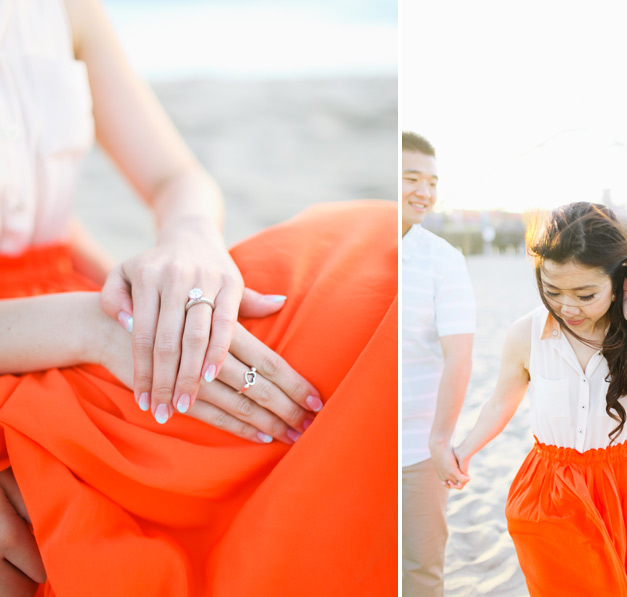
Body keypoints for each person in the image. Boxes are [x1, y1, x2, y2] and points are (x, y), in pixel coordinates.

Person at [0, 1, 397, 594]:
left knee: (376, 261)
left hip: (78, 312)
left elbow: (172, 178)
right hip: (27, 348)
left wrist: (185, 248)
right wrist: (91, 327)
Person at [453, 202, 627, 596]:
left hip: (624, 487)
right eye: (552, 291)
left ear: (619, 284)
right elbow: (498, 403)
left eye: (585, 293)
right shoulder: (525, 333)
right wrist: (465, 449)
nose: (567, 307)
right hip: (549, 489)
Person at [401, 131, 475, 596]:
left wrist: (440, 439)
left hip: (415, 448)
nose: (424, 192)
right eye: (410, 178)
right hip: (348, 438)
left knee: (421, 570)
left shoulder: (442, 261)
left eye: (431, 181)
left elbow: (459, 357)